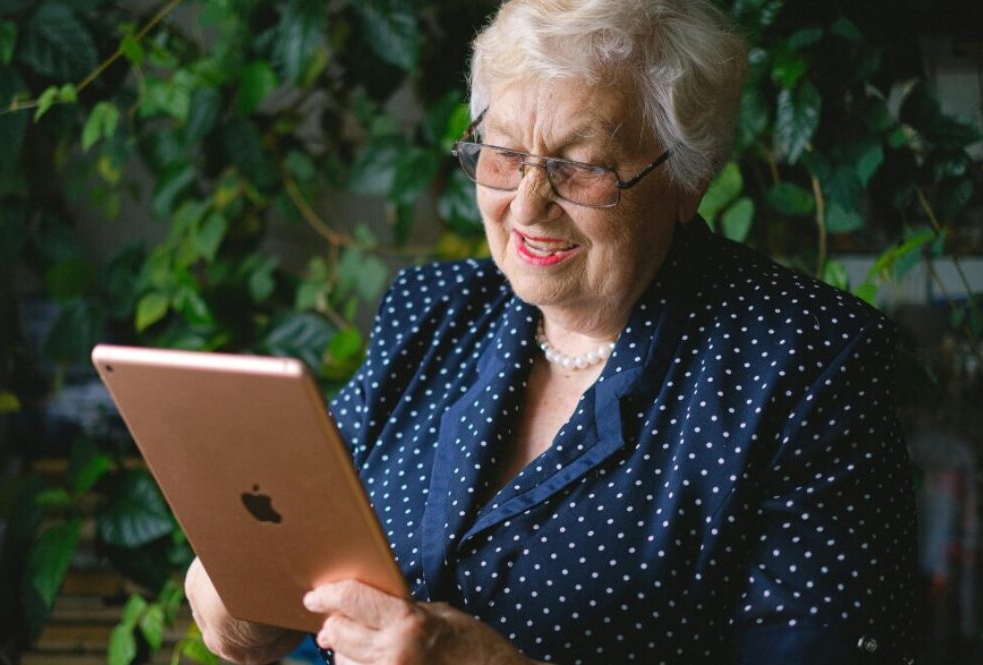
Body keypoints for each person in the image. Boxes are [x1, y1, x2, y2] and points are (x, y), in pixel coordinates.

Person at [185, 0, 920, 663]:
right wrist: (243, 602)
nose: (528, 205)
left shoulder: (808, 362)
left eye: (583, 166)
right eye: (503, 154)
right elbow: (294, 571)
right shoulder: (432, 312)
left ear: (687, 179)